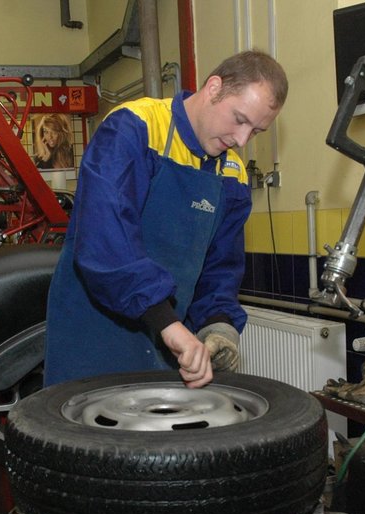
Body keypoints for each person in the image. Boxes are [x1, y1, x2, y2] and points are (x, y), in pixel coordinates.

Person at [44, 50, 288, 388]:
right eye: (239, 119)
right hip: (94, 337)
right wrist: (168, 324)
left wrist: (219, 328)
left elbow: (219, 270)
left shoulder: (233, 176)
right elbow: (106, 240)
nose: (242, 140)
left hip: (167, 345)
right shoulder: (134, 129)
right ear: (214, 87)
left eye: (256, 132)